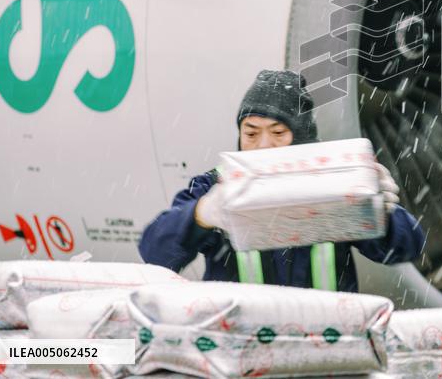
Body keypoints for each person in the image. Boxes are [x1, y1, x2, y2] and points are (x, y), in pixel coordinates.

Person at [139, 69, 425, 291]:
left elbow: (407, 247)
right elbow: (155, 253)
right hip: (240, 346)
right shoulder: (215, 188)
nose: (263, 145)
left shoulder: (331, 182)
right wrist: (201, 214)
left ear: (300, 136)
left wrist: (383, 214)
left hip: (323, 347)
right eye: (250, 133)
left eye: (278, 133)